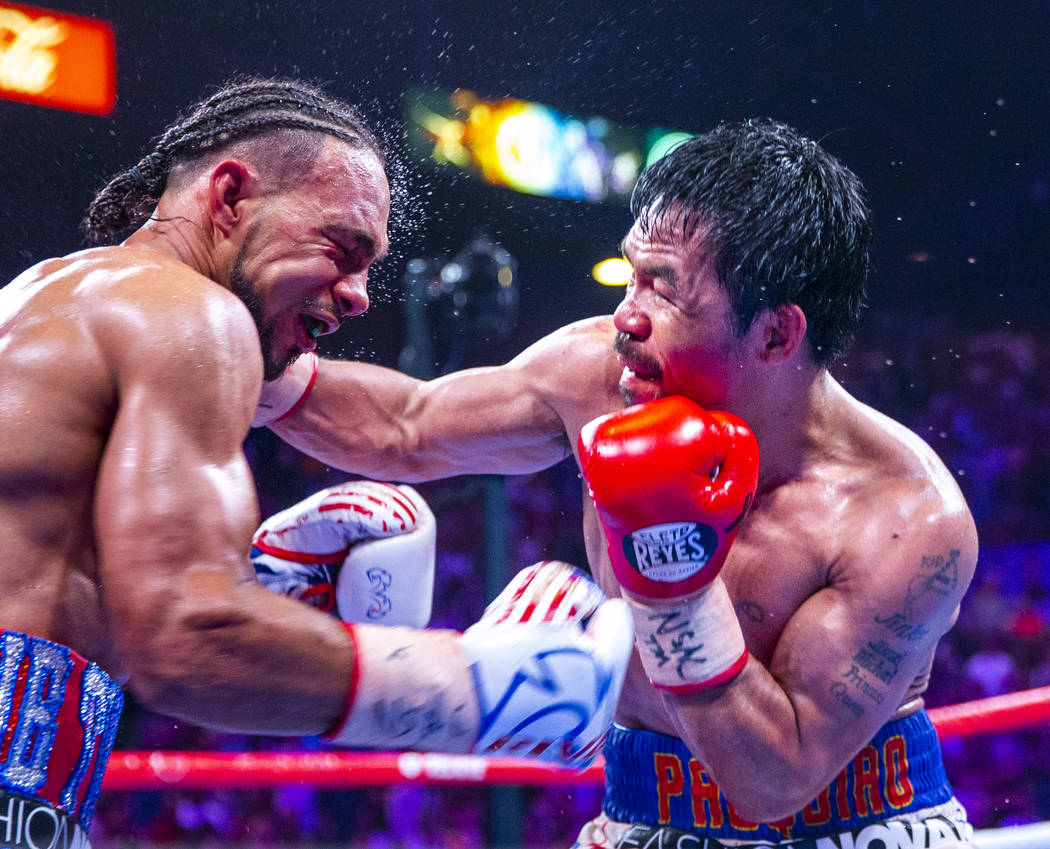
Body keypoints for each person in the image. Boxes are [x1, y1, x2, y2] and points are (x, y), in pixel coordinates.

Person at [258, 119, 979, 847]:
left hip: (853, 826)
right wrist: (236, 351)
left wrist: (673, 584)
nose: (625, 315)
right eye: (630, 272)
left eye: (664, 291)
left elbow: (775, 778)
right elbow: (404, 423)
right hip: (643, 815)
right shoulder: (604, 375)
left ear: (775, 335)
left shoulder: (906, 518)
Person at [0, 76, 632, 848]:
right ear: (229, 196)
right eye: (342, 247)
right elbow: (181, 639)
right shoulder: (193, 317)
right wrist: (481, 685)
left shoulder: (54, 300)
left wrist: (261, 583)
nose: (363, 295)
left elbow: (404, 425)